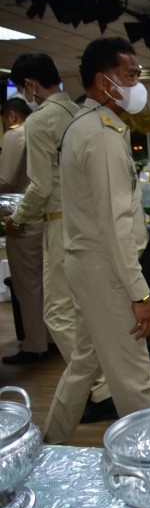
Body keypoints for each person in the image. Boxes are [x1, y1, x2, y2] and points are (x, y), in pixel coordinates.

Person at [43, 37, 150, 444]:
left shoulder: (83, 125)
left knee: (84, 364)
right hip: (105, 268)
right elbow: (114, 223)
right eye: (130, 75)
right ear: (103, 80)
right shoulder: (103, 134)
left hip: (85, 263)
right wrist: (139, 293)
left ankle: (46, 445)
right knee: (133, 377)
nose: (137, 85)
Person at [4, 54, 114, 419]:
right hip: (93, 222)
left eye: (22, 87)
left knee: (57, 312)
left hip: (61, 224)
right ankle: (107, 383)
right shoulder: (81, 113)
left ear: (30, 84)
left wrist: (18, 219)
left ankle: (100, 389)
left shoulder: (39, 121)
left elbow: (40, 186)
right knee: (87, 311)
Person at [0, 98, 51, 364]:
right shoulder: (44, 130)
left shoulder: (15, 134)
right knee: (46, 283)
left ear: (10, 115)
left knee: (27, 286)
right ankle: (51, 338)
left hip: (21, 218)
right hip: (47, 217)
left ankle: (34, 344)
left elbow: (5, 179)